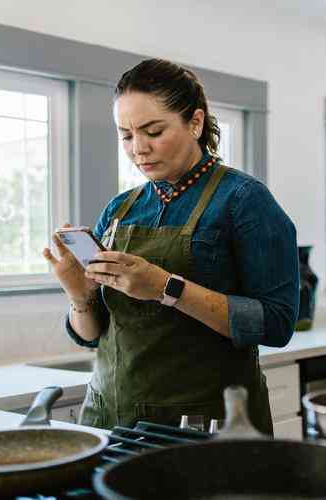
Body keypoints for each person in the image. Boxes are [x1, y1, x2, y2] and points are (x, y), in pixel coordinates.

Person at [43, 58, 298, 434]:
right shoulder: (120, 208)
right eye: (127, 136)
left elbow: (277, 324)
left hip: (200, 426)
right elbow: (90, 335)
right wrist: (79, 295)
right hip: (111, 419)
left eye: (153, 131)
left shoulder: (244, 200)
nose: (139, 149)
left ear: (195, 123)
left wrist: (167, 288)